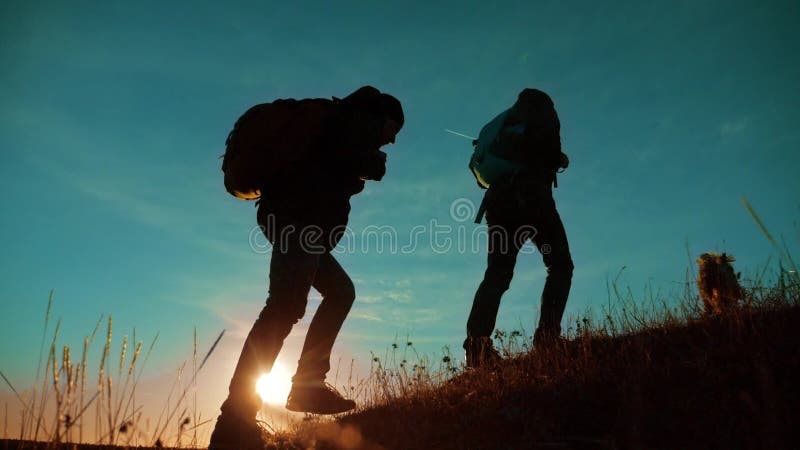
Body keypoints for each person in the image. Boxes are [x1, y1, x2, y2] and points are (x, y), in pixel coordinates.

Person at [210, 86, 404, 449]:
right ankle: (235, 420)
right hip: (298, 220)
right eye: (394, 129)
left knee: (338, 292)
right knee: (283, 309)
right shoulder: (352, 123)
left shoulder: (333, 118)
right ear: (382, 117)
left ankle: (305, 386)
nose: (392, 139)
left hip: (295, 221)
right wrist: (373, 163)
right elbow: (354, 161)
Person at [464, 88, 573, 368]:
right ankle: (548, 338)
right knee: (560, 265)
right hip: (533, 202)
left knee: (497, 274)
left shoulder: (504, 123)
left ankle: (477, 347)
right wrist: (560, 159)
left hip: (499, 204)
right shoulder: (544, 116)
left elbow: (481, 178)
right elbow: (547, 154)